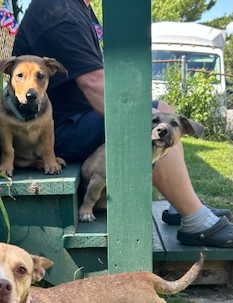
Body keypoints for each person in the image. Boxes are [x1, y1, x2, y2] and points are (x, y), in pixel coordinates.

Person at [13, 0, 233, 248]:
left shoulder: (77, 7)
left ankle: (181, 204)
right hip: (52, 131)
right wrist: (143, 115)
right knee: (154, 121)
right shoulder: (60, 10)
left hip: (73, 118)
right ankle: (196, 222)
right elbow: (94, 83)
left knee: (162, 112)